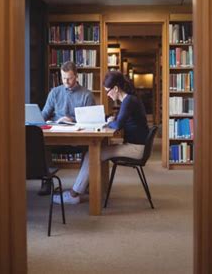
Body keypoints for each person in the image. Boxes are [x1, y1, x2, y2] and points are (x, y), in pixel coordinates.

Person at [53, 70, 149, 204]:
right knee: (96, 152)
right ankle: (90, 188)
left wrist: (111, 121)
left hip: (135, 149)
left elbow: (117, 125)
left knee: (92, 154)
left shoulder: (128, 101)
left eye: (108, 91)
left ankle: (74, 194)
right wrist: (111, 119)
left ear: (116, 88)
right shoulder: (129, 100)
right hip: (135, 145)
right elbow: (120, 120)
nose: (108, 95)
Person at [39, 61, 95, 195]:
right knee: (41, 143)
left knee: (91, 147)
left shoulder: (86, 95)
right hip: (56, 132)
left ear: (76, 76)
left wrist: (72, 120)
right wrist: (43, 120)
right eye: (63, 78)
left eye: (69, 78)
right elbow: (44, 114)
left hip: (78, 136)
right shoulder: (55, 92)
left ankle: (85, 183)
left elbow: (92, 121)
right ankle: (47, 180)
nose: (66, 81)